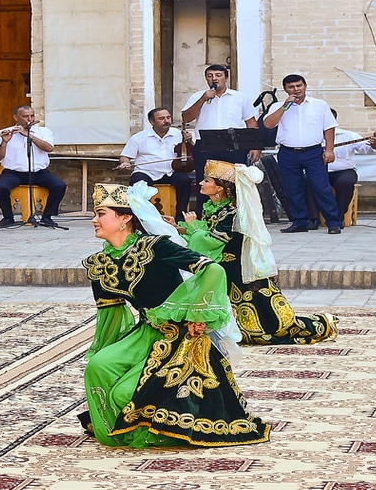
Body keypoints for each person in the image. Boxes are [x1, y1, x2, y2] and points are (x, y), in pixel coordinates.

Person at [78, 182, 270, 449]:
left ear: (125, 218)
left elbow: (212, 270)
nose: (94, 220)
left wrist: (197, 316)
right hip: (146, 333)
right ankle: (115, 430)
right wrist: (107, 349)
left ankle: (148, 430)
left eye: (100, 213)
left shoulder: (156, 246)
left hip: (182, 337)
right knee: (98, 367)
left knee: (124, 392)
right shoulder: (100, 263)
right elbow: (110, 314)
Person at [173, 160, 338, 344]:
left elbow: (212, 240)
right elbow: (206, 231)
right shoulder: (215, 208)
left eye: (207, 181)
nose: (201, 183)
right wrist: (181, 229)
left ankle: (322, 323)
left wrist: (193, 227)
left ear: (220, 188)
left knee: (268, 326)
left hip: (237, 268)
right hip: (223, 266)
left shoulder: (233, 212)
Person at [262, 74, 342, 234]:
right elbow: (268, 124)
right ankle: (299, 222)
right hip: (288, 152)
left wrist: (329, 149)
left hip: (314, 152)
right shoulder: (278, 106)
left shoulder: (319, 105)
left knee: (321, 187)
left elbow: (329, 128)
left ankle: (333, 222)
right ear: (285, 89)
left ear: (305, 86)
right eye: (291, 87)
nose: (296, 90)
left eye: (299, 86)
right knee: (293, 188)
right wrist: (285, 106)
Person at [181, 64, 261, 216]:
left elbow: (251, 123)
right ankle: (205, 218)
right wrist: (203, 99)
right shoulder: (198, 96)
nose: (214, 78)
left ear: (226, 77)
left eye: (218, 75)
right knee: (206, 183)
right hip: (205, 146)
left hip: (234, 146)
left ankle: (235, 217)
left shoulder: (240, 97)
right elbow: (186, 117)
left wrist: (255, 146)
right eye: (210, 76)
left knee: (233, 184)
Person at [0, 105, 67, 228]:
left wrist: (29, 135)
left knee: (59, 186)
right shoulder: (4, 132)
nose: (29, 119)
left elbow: (49, 148)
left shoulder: (43, 132)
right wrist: (4, 142)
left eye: (32, 116)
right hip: (13, 172)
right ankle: (8, 218)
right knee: (0, 187)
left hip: (39, 172)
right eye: (25, 116)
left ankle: (47, 217)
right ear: (16, 117)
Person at [305, 109, 376, 229]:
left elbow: (367, 149)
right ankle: (312, 219)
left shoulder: (348, 135)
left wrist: (374, 143)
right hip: (318, 170)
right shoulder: (308, 137)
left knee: (346, 182)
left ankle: (337, 218)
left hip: (343, 171)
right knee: (307, 180)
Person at [116, 107, 191, 220]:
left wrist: (190, 141)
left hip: (170, 172)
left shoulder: (179, 134)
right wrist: (125, 163)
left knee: (185, 180)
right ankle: (139, 218)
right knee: (137, 184)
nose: (166, 121)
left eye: (168, 117)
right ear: (151, 121)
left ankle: (180, 218)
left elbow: (190, 151)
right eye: (161, 118)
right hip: (146, 172)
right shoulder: (139, 137)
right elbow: (125, 156)